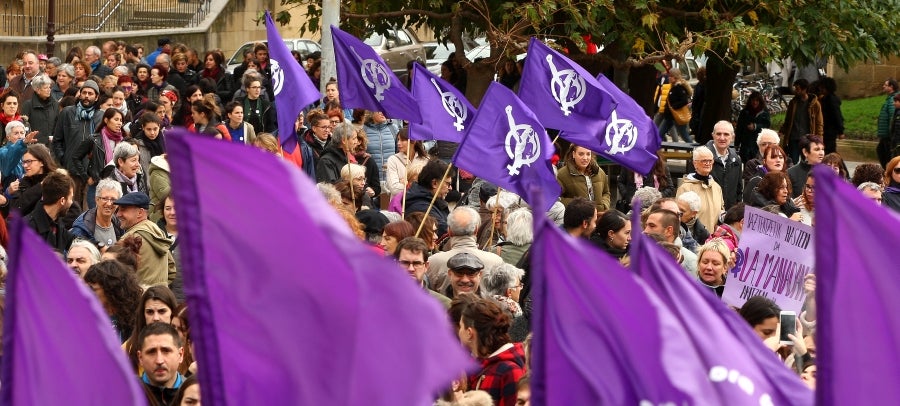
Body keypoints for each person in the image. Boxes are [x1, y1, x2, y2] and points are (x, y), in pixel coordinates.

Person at [455, 295, 527, 406]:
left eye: (460, 326)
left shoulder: (510, 372)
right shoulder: (474, 366)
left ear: (469, 333)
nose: (459, 332)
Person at [426, 206, 505, 293]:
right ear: (476, 230)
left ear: (449, 231)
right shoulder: (495, 261)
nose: (465, 280)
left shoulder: (433, 262)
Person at [53, 80, 103, 204]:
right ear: (79, 95)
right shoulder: (67, 112)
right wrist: (63, 158)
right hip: (72, 170)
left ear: (96, 97)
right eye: (84, 92)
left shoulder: (101, 116)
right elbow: (57, 140)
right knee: (71, 206)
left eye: (90, 93)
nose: (86, 96)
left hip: (92, 172)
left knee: (89, 207)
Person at [114, 192, 176, 287]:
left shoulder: (129, 239)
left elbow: (114, 275)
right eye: (118, 210)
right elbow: (171, 269)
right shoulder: (157, 231)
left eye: (123, 209)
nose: (118, 214)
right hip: (160, 297)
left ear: (140, 212)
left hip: (138, 299)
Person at [687, 121, 743, 210]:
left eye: (726, 134)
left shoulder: (736, 159)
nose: (722, 137)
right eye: (718, 134)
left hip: (729, 213)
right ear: (713, 135)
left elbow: (738, 190)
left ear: (732, 137)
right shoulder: (700, 156)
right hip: (706, 212)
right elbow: (690, 187)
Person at [83, 260, 142, 342]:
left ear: (110, 290)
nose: (85, 293)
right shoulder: (83, 317)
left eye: (91, 289)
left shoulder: (137, 320)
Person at [126, 286, 178, 372]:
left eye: (162, 311)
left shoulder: (187, 346)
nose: (156, 318)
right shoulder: (128, 349)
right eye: (150, 312)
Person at [24, 171, 75, 252]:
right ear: (62, 200)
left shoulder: (56, 222)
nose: (72, 202)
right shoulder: (28, 229)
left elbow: (72, 240)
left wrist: (98, 245)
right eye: (71, 198)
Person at [676, 146, 724, 232]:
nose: (708, 163)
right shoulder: (685, 188)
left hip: (712, 239)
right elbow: (680, 216)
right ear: (695, 163)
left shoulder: (716, 187)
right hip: (693, 238)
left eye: (710, 160)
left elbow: (721, 211)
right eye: (704, 161)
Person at [393, 237, 452, 307]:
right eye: (405, 263)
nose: (411, 269)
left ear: (426, 266)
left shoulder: (444, 306)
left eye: (416, 263)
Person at [138, 322, 185, 406]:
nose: (159, 360)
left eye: (166, 351)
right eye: (151, 352)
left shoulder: (197, 393)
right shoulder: (126, 395)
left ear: (180, 355)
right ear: (140, 358)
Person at [69, 178, 124, 249]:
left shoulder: (120, 225)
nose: (109, 203)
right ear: (96, 199)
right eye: (105, 198)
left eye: (113, 199)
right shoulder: (82, 228)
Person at [643, 206, 697, 275]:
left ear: (669, 231)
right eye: (646, 226)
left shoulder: (690, 262)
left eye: (652, 226)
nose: (645, 231)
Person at [405, 159, 453, 236]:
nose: (450, 188)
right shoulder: (420, 206)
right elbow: (444, 230)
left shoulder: (432, 201)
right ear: (434, 183)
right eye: (448, 184)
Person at [779, 79, 823, 163]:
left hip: (807, 139)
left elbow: (819, 124)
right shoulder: (793, 103)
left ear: (804, 89)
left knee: (806, 161)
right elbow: (788, 120)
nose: (795, 91)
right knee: (793, 161)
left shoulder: (815, 104)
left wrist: (819, 140)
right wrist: (782, 131)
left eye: (797, 89)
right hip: (794, 138)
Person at [556, 144, 610, 212]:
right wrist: (578, 206)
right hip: (577, 220)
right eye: (581, 154)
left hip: (599, 217)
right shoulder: (561, 175)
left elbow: (606, 192)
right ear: (573, 154)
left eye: (588, 154)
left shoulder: (599, 172)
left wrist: (604, 205)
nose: (585, 158)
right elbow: (557, 199)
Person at [385, 128, 429, 199]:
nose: (398, 143)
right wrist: (416, 185)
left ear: (413, 141)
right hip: (399, 203)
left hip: (420, 203)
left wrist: (406, 183)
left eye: (402, 140)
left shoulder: (425, 160)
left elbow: (428, 187)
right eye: (398, 140)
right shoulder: (393, 160)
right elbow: (394, 189)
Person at [20, 74, 57, 146]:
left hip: (51, 146)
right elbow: (24, 127)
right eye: (46, 88)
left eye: (49, 87)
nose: (49, 90)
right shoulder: (28, 105)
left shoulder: (55, 104)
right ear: (38, 90)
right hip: (34, 146)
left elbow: (57, 124)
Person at [657, 69, 693, 143]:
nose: (669, 78)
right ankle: (658, 150)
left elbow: (684, 101)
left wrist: (673, 107)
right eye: (669, 76)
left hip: (677, 117)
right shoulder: (673, 87)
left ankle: (694, 150)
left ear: (676, 77)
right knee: (659, 134)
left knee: (684, 136)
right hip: (669, 117)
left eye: (671, 76)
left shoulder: (679, 87)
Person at [735, 91, 772, 162]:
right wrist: (737, 143)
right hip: (746, 143)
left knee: (757, 164)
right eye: (753, 100)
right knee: (746, 163)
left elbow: (767, 125)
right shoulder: (744, 112)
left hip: (758, 143)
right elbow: (739, 128)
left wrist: (756, 126)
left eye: (757, 100)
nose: (755, 102)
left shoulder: (764, 112)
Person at [363, 110, 399, 181]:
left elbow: (399, 152)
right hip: (372, 180)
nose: (383, 113)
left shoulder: (393, 128)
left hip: (392, 178)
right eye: (379, 111)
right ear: (371, 112)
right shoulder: (364, 130)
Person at [816, 77, 844, 154]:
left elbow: (837, 115)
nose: (820, 90)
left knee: (829, 150)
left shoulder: (831, 100)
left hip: (830, 130)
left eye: (822, 88)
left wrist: (840, 131)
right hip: (826, 129)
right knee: (828, 150)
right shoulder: (825, 98)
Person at [877, 78, 899, 167]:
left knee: (887, 155)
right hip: (885, 135)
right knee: (881, 151)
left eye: (885, 85)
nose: (883, 86)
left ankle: (889, 173)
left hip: (888, 135)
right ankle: (887, 172)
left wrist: (891, 134)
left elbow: (892, 117)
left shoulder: (893, 100)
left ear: (891, 87)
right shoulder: (890, 98)